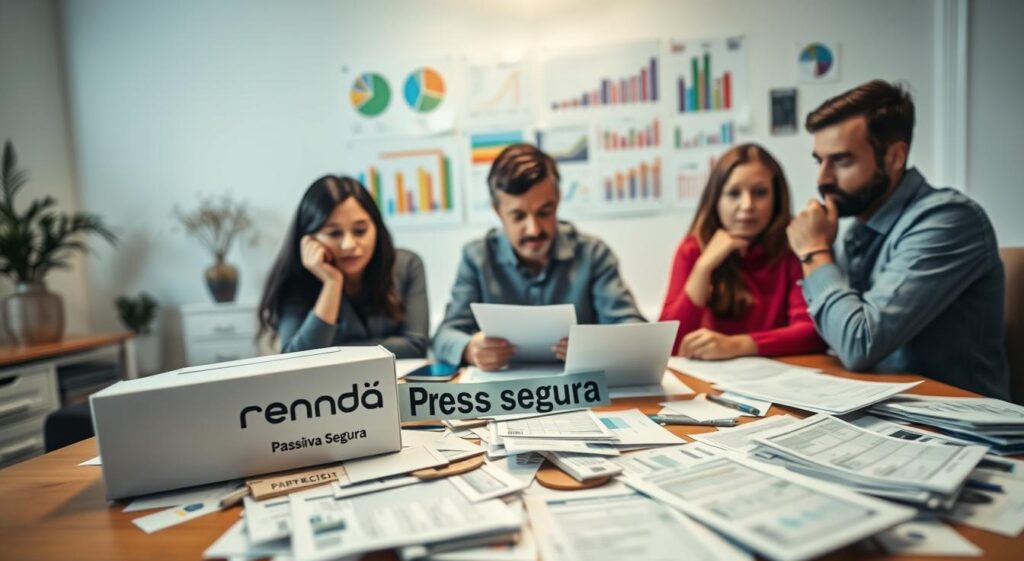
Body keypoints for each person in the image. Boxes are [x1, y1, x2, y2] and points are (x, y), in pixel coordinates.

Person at [787, 79, 1009, 399]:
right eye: (819, 161)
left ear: (894, 157)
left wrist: (813, 250)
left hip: (961, 431)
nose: (822, 179)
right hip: (884, 413)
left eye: (841, 160)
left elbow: (857, 344)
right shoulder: (853, 231)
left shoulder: (949, 220)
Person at [432, 143, 645, 370]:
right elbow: (445, 335)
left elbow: (633, 328)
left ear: (558, 200)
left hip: (581, 390)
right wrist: (471, 349)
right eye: (518, 216)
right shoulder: (476, 258)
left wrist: (597, 346)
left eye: (545, 212)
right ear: (497, 211)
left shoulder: (593, 254)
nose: (533, 229)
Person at [660, 143, 826, 359]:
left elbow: (812, 333)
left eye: (759, 192)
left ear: (776, 198)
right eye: (733, 193)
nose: (747, 205)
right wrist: (703, 267)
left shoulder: (793, 247)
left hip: (778, 380)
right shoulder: (693, 249)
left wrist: (738, 345)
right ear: (715, 200)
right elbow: (667, 345)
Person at [258, 175, 429, 358]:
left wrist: (332, 351)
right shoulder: (295, 280)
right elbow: (296, 360)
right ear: (309, 240)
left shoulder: (408, 265)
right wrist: (332, 284)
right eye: (334, 233)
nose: (348, 244)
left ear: (377, 228)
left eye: (360, 231)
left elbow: (415, 346)